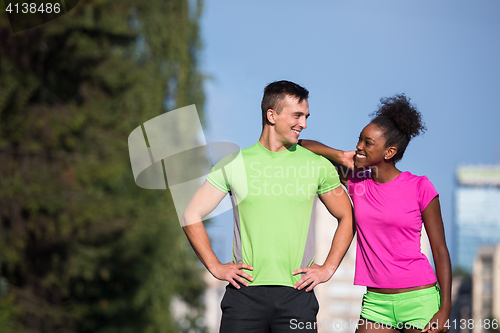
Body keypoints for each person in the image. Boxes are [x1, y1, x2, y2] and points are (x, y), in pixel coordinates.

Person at [181, 80, 355, 333]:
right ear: (271, 115)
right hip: (244, 297)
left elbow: (347, 216)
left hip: (298, 297)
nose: (304, 124)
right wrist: (215, 266)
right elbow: (190, 214)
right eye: (297, 115)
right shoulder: (234, 164)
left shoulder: (317, 165)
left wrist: (328, 268)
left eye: (306, 116)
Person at [299, 94, 452, 333]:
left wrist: (446, 308)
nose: (359, 146)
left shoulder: (420, 186)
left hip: (420, 299)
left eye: (368, 143)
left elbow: (440, 250)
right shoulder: (357, 181)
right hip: (375, 303)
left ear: (389, 152)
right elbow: (302, 146)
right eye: (359, 139)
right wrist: (340, 155)